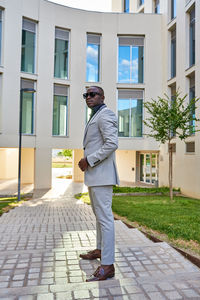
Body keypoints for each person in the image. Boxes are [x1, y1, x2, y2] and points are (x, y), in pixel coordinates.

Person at [78, 86, 119, 282]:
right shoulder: (95, 116)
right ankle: (100, 249)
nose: (89, 97)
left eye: (93, 94)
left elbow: (112, 143)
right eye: (86, 95)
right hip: (95, 176)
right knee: (99, 217)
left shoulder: (105, 114)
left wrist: (89, 160)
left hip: (102, 176)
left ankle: (108, 265)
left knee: (105, 219)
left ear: (102, 96)